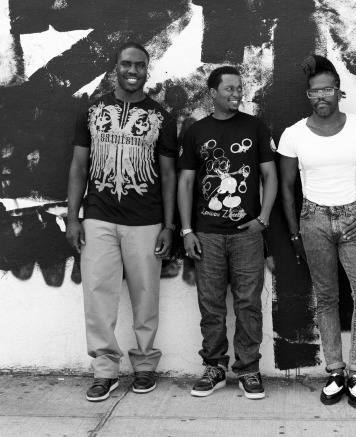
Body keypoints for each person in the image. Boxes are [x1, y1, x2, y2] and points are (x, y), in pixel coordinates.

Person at [66, 41, 177, 401]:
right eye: (127, 64)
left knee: (146, 296)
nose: (133, 71)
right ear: (115, 67)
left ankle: (144, 366)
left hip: (146, 220)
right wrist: (73, 218)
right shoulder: (92, 111)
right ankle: (105, 371)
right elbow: (79, 166)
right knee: (98, 295)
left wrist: (169, 225)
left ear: (147, 70)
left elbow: (169, 175)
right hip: (98, 218)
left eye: (139, 65)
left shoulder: (161, 117)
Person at [278, 55, 356, 409]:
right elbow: (287, 187)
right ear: (308, 95)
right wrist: (295, 233)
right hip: (314, 219)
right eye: (314, 91)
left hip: (354, 218)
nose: (321, 96)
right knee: (326, 298)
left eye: (327, 90)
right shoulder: (293, 134)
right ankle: (335, 371)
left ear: (339, 91)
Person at [177, 66, 277, 400]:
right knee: (211, 304)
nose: (237, 93)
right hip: (206, 234)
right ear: (213, 93)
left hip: (247, 234)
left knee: (248, 303)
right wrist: (187, 230)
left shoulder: (255, 127)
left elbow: (270, 175)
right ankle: (214, 368)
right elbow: (186, 182)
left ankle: (248, 369)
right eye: (229, 88)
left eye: (239, 88)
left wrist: (263, 219)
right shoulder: (196, 131)